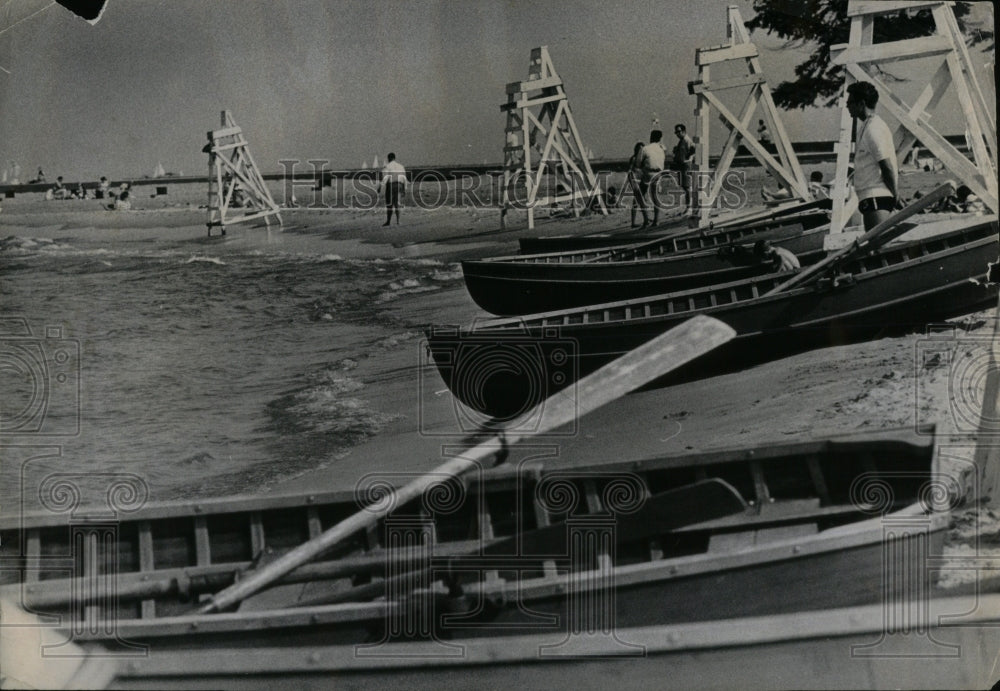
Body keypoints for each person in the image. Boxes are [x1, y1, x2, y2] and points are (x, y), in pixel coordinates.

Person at [846, 81, 898, 230]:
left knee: (877, 246)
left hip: (877, 195)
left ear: (861, 104)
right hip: (870, 196)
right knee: (874, 245)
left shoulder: (874, 128)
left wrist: (895, 194)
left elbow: (886, 165)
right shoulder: (866, 126)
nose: (848, 106)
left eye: (850, 102)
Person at [638, 131, 666, 228]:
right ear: (660, 139)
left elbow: (638, 163)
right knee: (655, 196)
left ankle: (646, 220)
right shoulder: (661, 149)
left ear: (651, 137)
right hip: (658, 173)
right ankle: (656, 220)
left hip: (648, 173)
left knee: (640, 195)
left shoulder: (645, 149)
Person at [671, 124, 696, 211]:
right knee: (685, 187)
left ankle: (689, 207)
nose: (677, 134)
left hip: (686, 165)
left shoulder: (686, 140)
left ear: (684, 131)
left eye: (679, 131)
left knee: (687, 186)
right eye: (676, 132)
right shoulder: (682, 141)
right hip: (682, 165)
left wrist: (687, 157)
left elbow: (693, 149)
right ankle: (688, 206)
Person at [761, 170, 830, 202]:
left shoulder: (811, 184)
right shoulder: (821, 187)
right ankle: (771, 196)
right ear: (821, 179)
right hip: (809, 197)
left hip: (804, 197)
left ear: (811, 178)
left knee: (790, 193)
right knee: (790, 193)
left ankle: (771, 195)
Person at [380, 152, 406, 226]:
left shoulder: (387, 166)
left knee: (389, 204)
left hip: (390, 185)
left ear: (389, 158)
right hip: (399, 185)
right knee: (397, 203)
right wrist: (403, 189)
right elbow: (404, 178)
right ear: (395, 158)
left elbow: (385, 178)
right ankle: (398, 221)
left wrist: (380, 187)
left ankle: (388, 221)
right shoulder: (401, 166)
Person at [626, 141, 646, 228]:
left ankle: (644, 218)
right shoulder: (634, 158)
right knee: (638, 200)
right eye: (640, 149)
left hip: (639, 179)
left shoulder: (641, 158)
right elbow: (630, 170)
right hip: (635, 179)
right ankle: (637, 221)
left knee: (639, 200)